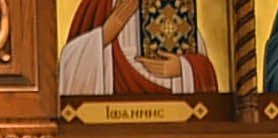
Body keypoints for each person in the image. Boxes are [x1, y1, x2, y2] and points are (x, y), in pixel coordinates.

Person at [57, 0, 214, 95]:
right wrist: (104, 35)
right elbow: (68, 65)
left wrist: (182, 68)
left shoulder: (175, 9)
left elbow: (202, 67)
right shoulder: (98, 6)